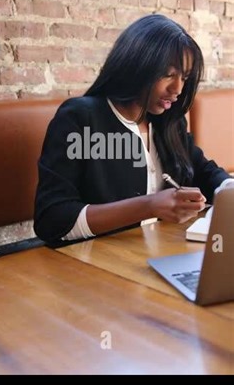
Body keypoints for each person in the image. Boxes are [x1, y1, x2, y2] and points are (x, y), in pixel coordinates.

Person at [34, 14, 232, 246]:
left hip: (157, 252)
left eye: (184, 77)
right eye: (168, 74)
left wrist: (229, 189)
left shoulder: (168, 121)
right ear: (137, 66)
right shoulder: (80, 118)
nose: (177, 88)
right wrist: (148, 205)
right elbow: (52, 220)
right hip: (95, 263)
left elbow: (201, 169)